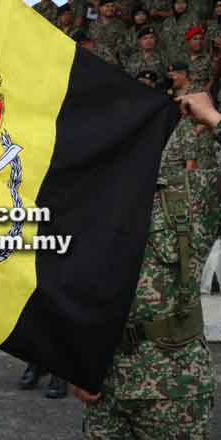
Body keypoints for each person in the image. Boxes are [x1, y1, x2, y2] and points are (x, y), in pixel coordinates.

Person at [72, 90, 219, 438]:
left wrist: (212, 118)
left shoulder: (190, 195)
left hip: (176, 387)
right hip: (104, 387)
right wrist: (72, 364)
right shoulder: (87, 204)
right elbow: (65, 287)